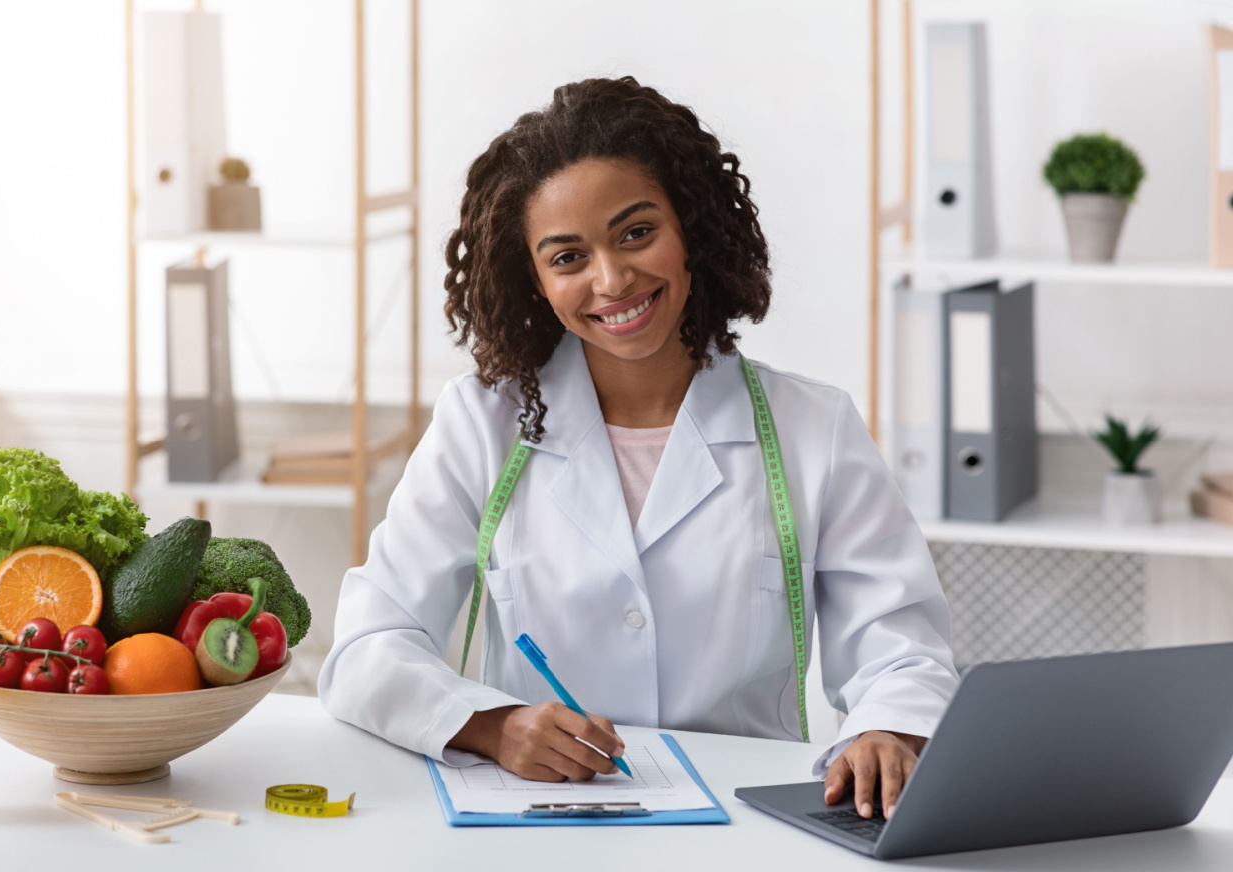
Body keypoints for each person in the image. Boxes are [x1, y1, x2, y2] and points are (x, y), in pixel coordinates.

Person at [319, 76, 958, 821]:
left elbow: (902, 648)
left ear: (692, 228)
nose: (612, 278)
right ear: (533, 280)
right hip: (538, 820)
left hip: (744, 828)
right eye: (567, 258)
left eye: (635, 233)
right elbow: (368, 646)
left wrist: (885, 727)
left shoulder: (812, 427)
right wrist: (490, 724)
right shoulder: (480, 425)